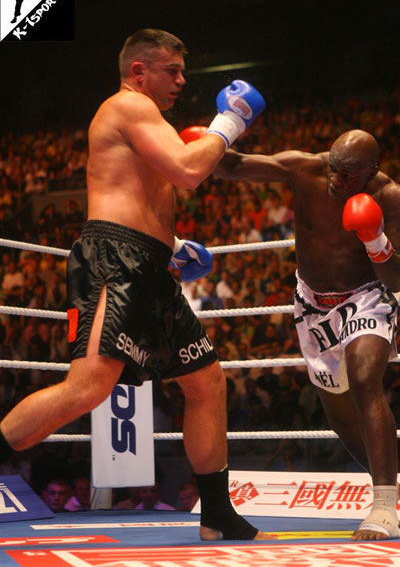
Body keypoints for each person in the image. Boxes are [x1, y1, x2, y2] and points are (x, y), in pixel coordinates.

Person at [0, 29, 271, 541]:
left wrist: (174, 245)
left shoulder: (151, 123)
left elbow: (144, 193)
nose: (183, 81)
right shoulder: (128, 106)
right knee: (87, 388)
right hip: (114, 260)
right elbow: (190, 172)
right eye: (173, 71)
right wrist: (231, 119)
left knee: (206, 381)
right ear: (139, 71)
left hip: (148, 264)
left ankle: (215, 512)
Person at [215, 129, 400, 541]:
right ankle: (392, 480)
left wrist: (376, 240)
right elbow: (231, 166)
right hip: (312, 303)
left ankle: (384, 506)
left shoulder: (389, 197)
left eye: (348, 174)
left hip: (367, 296)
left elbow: (397, 277)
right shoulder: (305, 169)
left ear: (370, 173)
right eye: (333, 166)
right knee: (339, 416)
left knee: (365, 380)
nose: (336, 179)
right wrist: (220, 128)